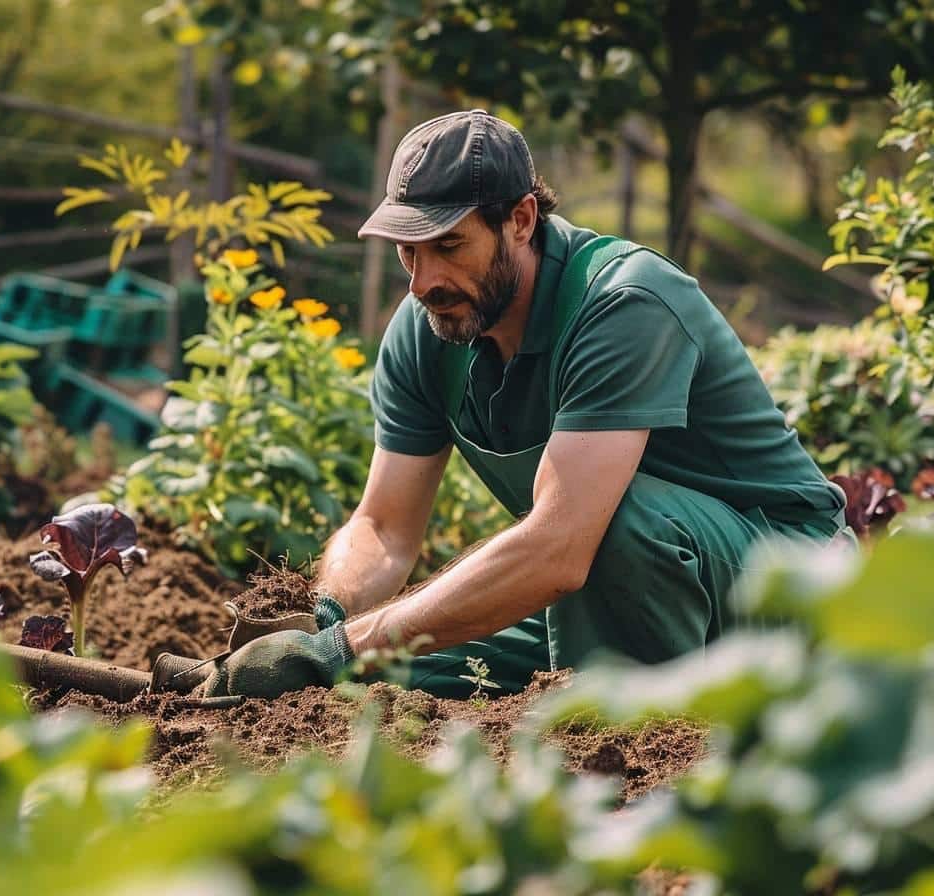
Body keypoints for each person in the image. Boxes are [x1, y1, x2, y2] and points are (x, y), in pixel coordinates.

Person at [195, 109, 848, 700]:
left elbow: (560, 546)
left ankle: (632, 759)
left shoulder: (623, 302)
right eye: (407, 252)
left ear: (521, 220)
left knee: (615, 523)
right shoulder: (428, 328)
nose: (424, 283)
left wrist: (339, 648)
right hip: (619, 587)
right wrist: (322, 628)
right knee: (379, 673)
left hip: (787, 585)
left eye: (448, 246)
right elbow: (385, 529)